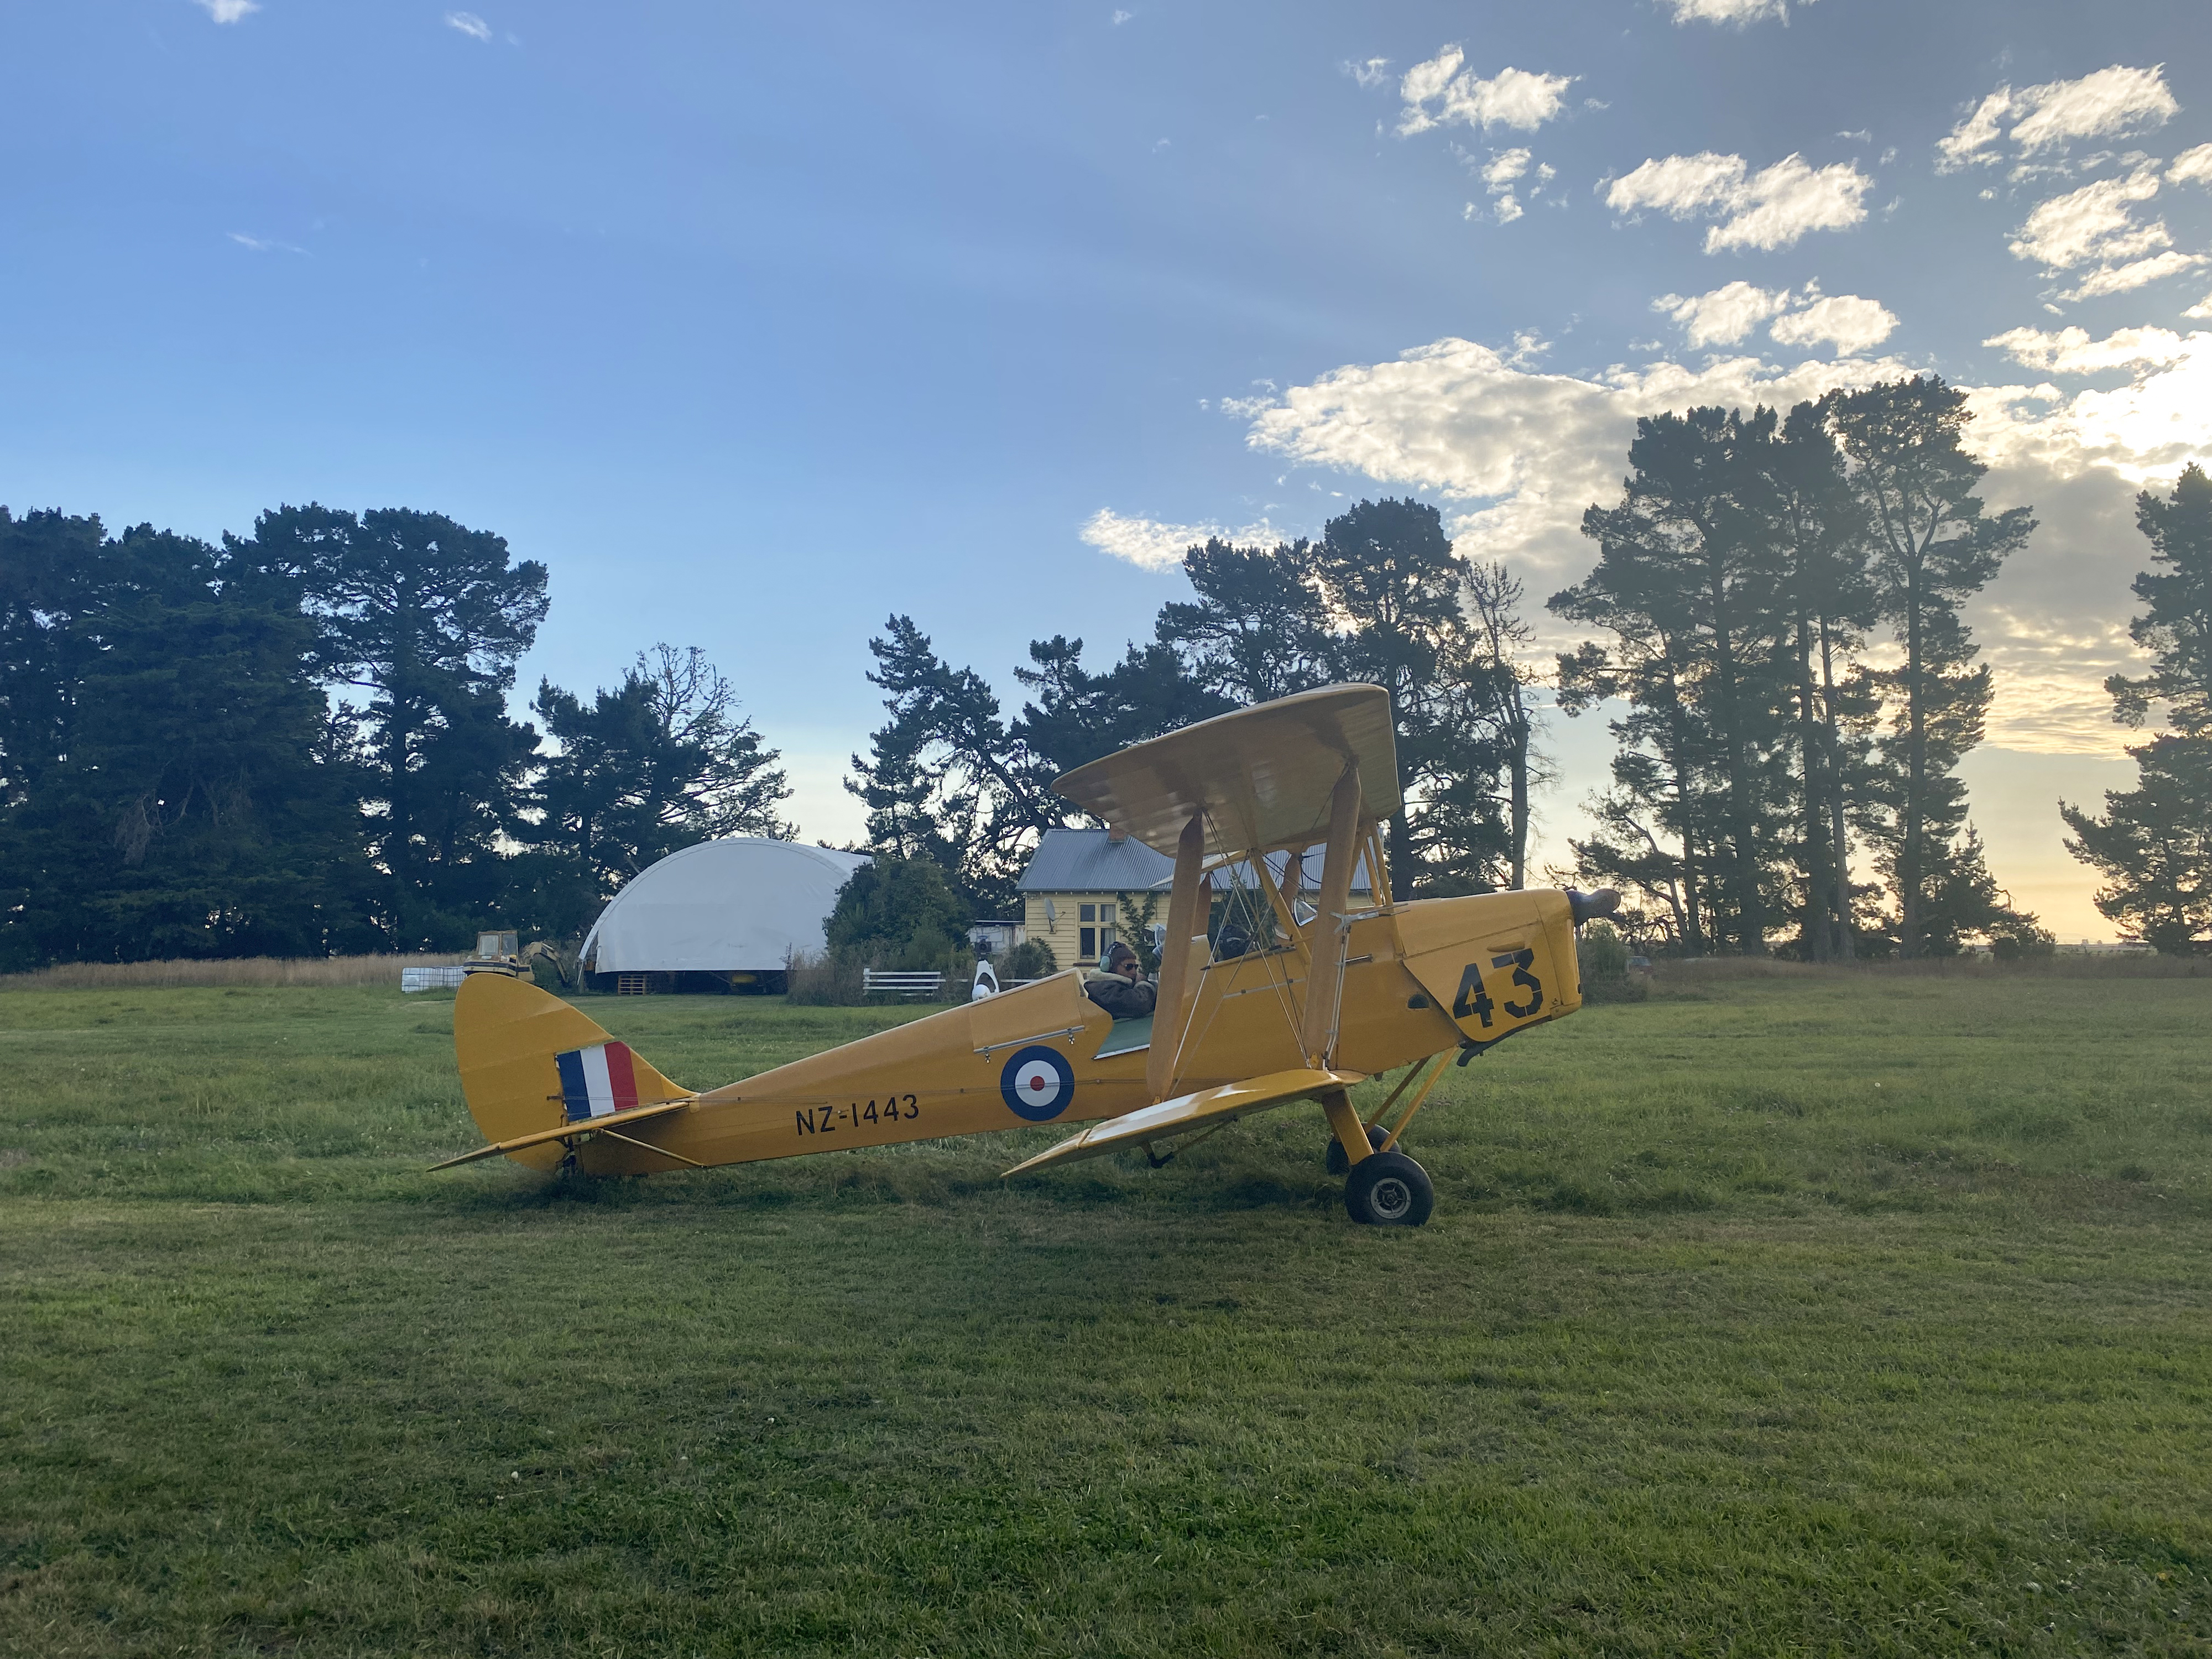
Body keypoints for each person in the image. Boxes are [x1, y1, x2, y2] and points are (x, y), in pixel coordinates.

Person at [1081, 940, 1156, 1021]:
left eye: (1135, 967)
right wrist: (1142, 984)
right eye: (1129, 967)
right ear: (1110, 967)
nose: (1134, 972)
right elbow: (1141, 1004)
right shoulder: (1105, 990)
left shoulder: (1114, 986)